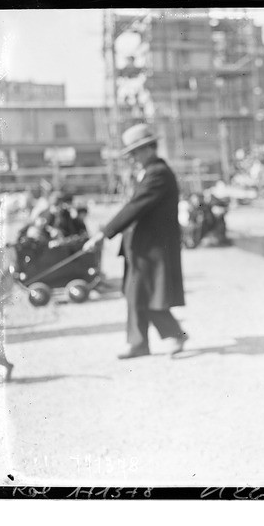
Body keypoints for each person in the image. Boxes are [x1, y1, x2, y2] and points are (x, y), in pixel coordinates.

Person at [83, 123, 188, 359]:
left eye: (135, 152)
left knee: (143, 292)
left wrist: (104, 233)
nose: (132, 158)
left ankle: (162, 337)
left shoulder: (158, 173)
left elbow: (135, 207)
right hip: (142, 246)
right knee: (136, 293)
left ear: (150, 148)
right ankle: (147, 340)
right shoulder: (149, 172)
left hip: (152, 246)